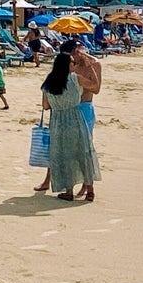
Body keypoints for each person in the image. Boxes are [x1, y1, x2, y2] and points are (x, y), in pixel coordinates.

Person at [36, 50, 100, 202]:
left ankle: (68, 191)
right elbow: (95, 86)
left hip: (58, 121)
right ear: (67, 65)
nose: (75, 64)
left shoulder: (48, 82)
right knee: (83, 153)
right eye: (73, 62)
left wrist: (58, 104)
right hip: (76, 119)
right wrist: (90, 66)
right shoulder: (75, 79)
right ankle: (90, 191)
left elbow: (45, 106)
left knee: (64, 156)